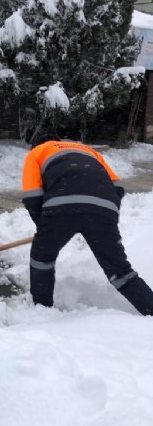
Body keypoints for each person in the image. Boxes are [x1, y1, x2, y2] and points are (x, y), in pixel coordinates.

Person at [22, 127, 153, 315]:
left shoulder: (36, 153)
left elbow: (32, 197)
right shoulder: (88, 151)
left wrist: (45, 227)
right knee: (120, 270)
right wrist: (103, 213)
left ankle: (42, 309)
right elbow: (117, 187)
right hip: (104, 208)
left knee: (42, 258)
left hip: (61, 206)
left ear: (36, 144)